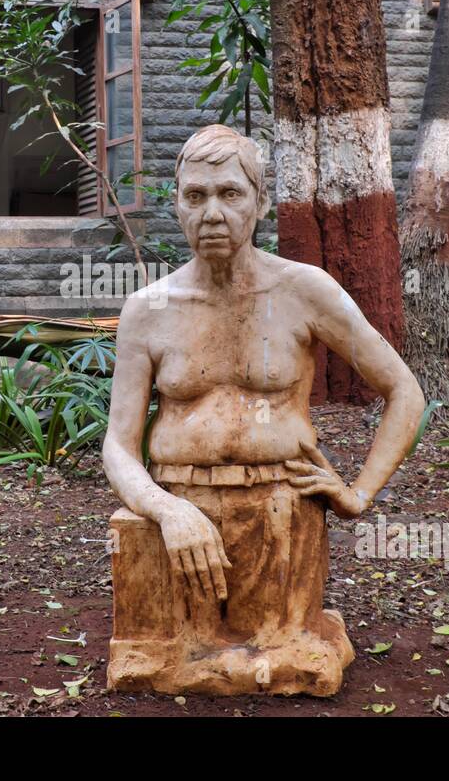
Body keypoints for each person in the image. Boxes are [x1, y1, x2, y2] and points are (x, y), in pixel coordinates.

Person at [103, 124, 425, 695]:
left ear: (260, 202)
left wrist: (359, 493)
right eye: (195, 196)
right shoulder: (147, 309)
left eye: (230, 194)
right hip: (177, 507)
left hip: (280, 510)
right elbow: (119, 446)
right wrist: (167, 511)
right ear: (177, 205)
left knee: (273, 659)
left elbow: (404, 391)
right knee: (173, 658)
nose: (212, 213)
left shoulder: (305, 291)